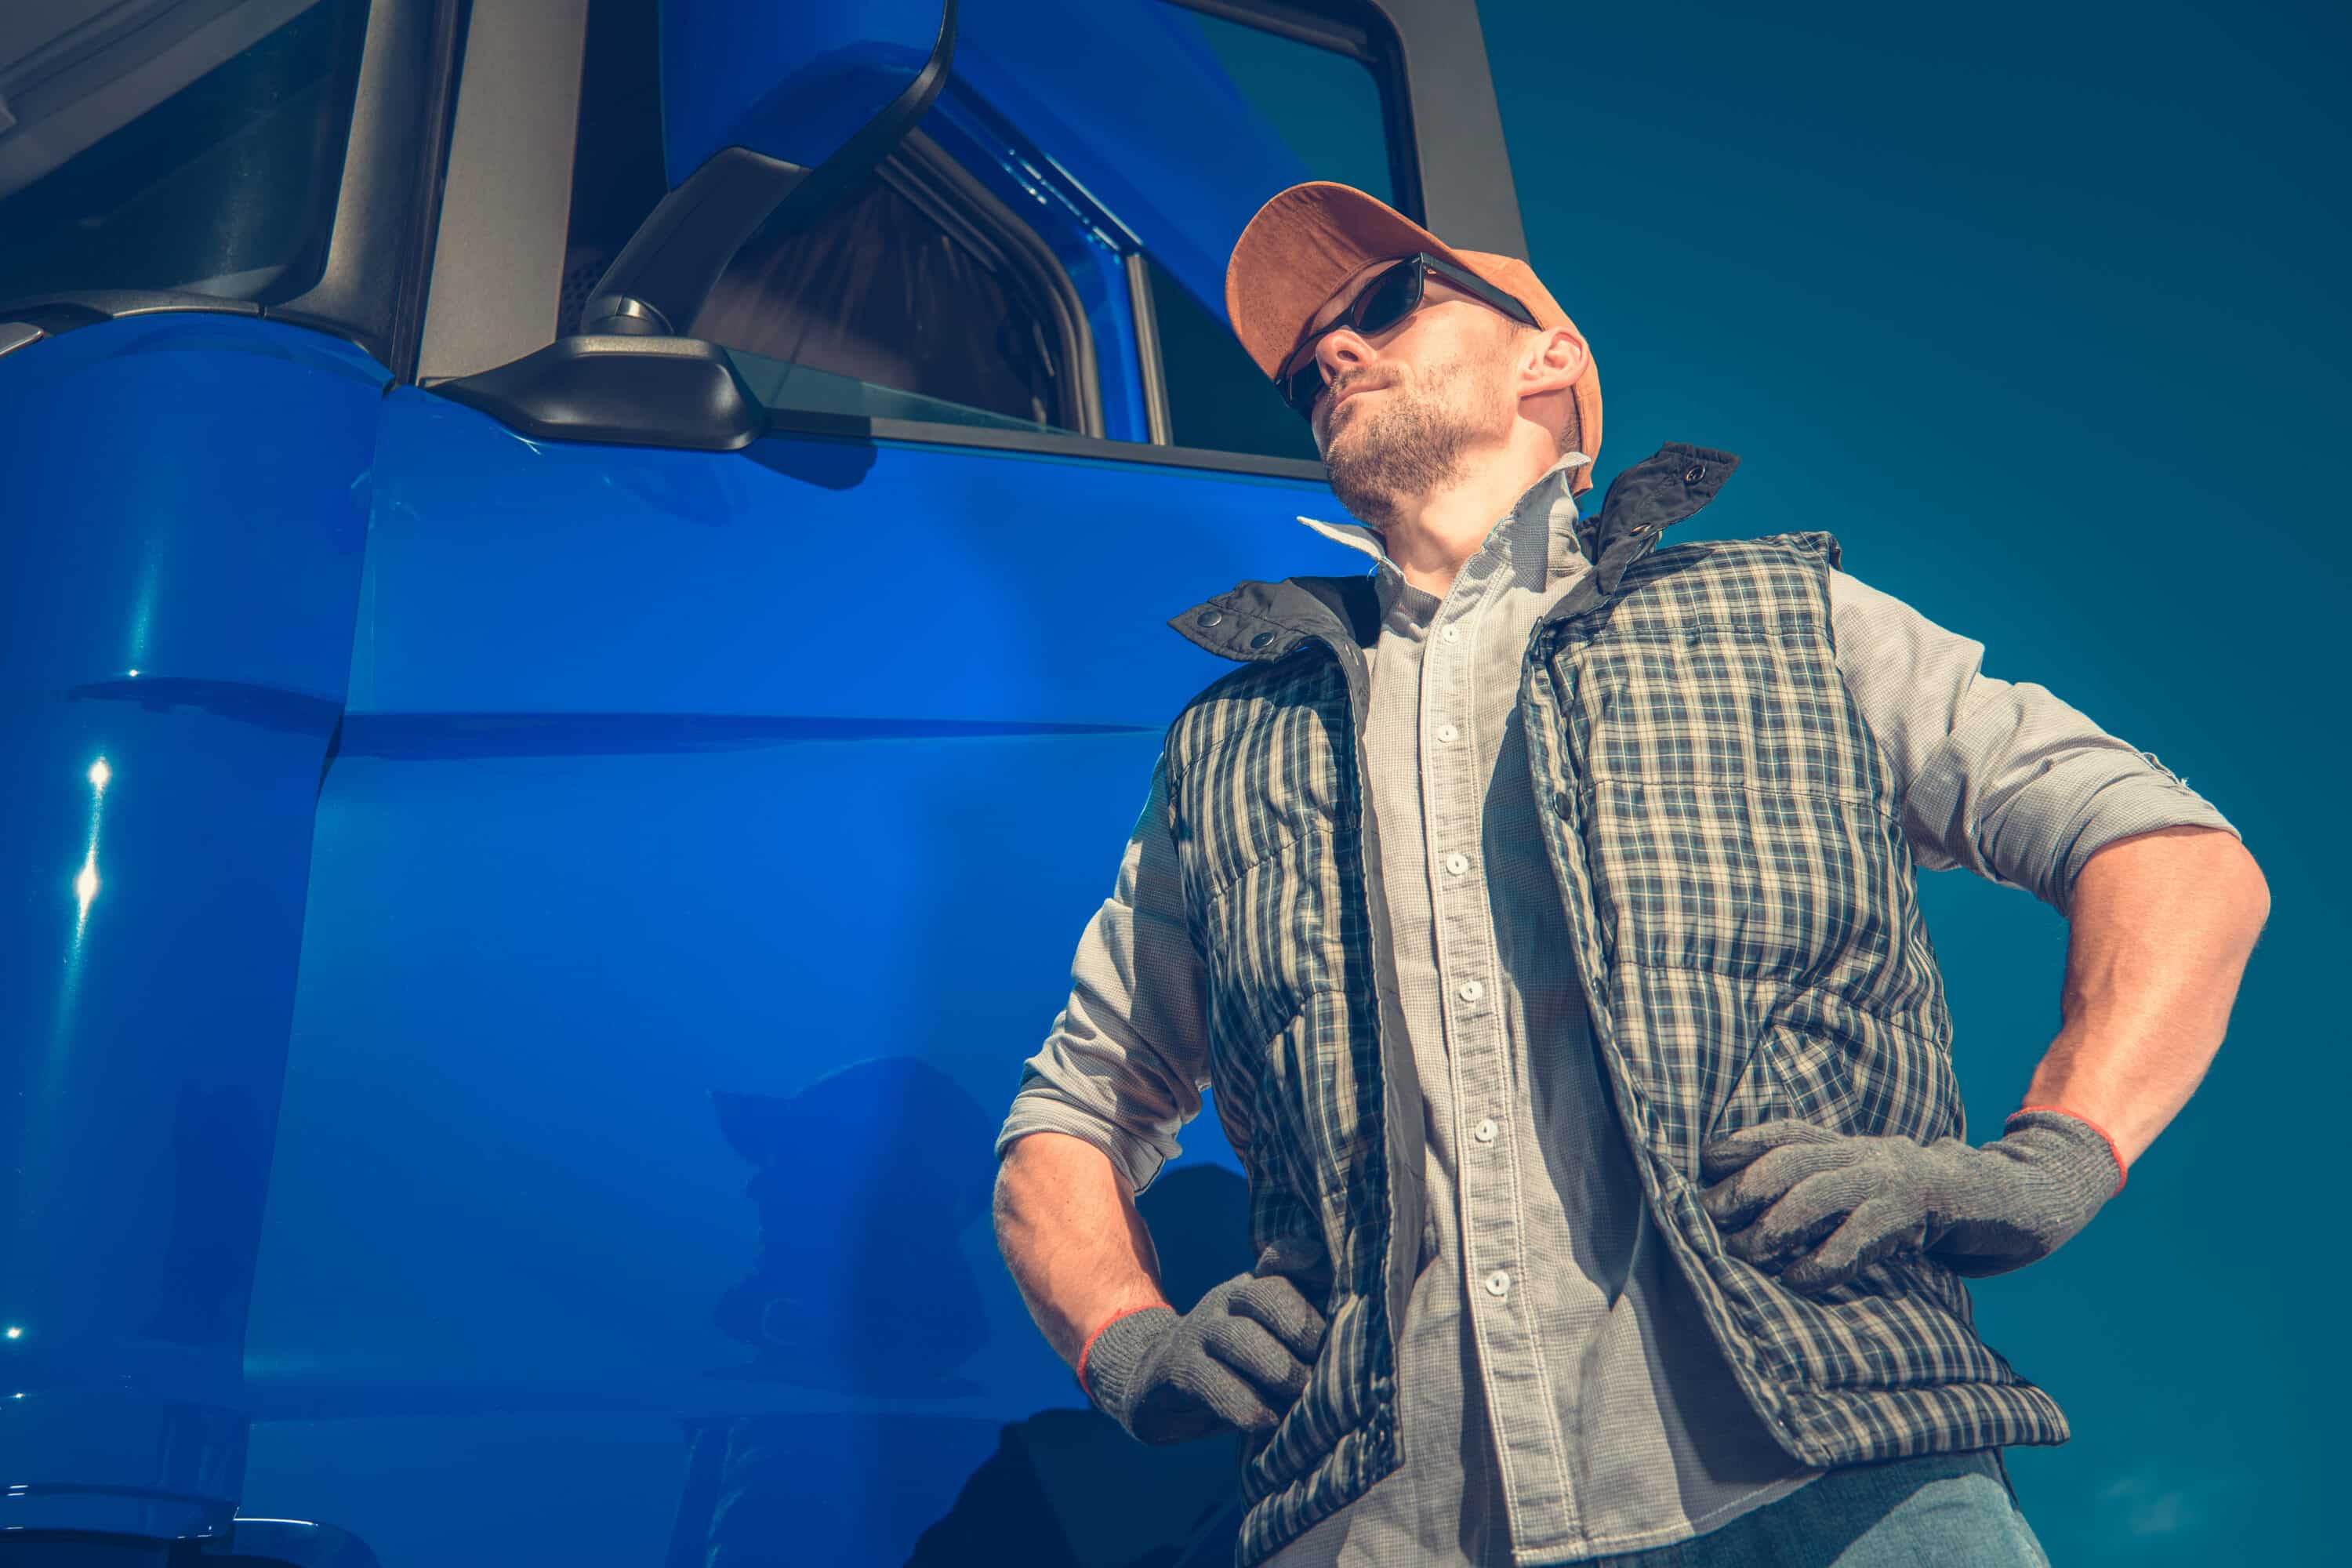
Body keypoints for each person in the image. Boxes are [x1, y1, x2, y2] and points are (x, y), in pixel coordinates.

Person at [990, 180, 2269, 1567]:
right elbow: (1072, 1108)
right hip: (1393, 1531)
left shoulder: (1791, 621)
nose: (1336, 354)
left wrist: (2052, 1163)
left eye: (1384, 304)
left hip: (1836, 1495)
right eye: (1310, 365)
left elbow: (2171, 853)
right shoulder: (1232, 747)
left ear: (1551, 356)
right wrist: (1129, 1340)